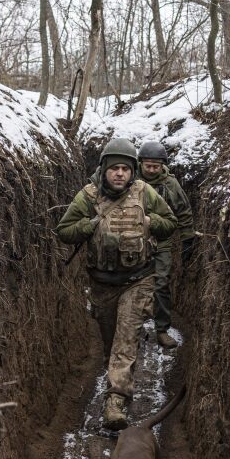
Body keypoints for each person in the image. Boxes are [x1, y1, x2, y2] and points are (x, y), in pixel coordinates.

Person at [55, 137, 178, 430]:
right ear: (104, 169)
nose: (120, 173)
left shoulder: (145, 192)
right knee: (112, 343)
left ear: (132, 171)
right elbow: (64, 230)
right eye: (114, 168)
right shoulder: (88, 196)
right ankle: (117, 378)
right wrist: (88, 226)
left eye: (125, 168)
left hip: (139, 280)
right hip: (102, 284)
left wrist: (150, 222)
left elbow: (170, 223)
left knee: (126, 339)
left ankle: (116, 402)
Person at [137, 141, 195, 349]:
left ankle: (162, 329)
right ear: (140, 163)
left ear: (163, 165)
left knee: (161, 283)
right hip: (132, 241)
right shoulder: (130, 179)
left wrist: (187, 238)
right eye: (148, 166)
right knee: (131, 284)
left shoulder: (170, 184)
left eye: (156, 166)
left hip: (161, 240)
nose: (152, 170)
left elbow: (184, 211)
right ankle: (133, 327)